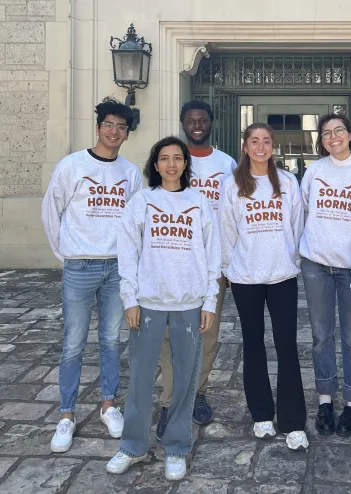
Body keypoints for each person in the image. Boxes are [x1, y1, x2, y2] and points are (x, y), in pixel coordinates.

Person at [106, 136, 220, 480]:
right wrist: (130, 299)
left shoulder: (200, 203)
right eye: (164, 159)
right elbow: (127, 254)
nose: (171, 164)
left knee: (184, 379)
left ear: (186, 164)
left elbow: (213, 256)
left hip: (189, 303)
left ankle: (176, 448)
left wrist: (209, 301)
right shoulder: (142, 202)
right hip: (149, 303)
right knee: (140, 377)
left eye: (177, 158)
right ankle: (132, 446)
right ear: (155, 165)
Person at [41, 97, 142, 453]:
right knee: (73, 343)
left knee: (112, 340)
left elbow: (135, 223)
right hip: (80, 267)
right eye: (109, 125)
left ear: (127, 134)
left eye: (121, 127)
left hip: (116, 267)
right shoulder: (72, 166)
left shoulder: (130, 173)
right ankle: (66, 414)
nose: (115, 132)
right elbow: (51, 211)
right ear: (98, 127)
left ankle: (108, 405)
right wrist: (66, 253)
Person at [219, 122, 308, 451]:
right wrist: (228, 267)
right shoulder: (231, 184)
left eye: (266, 141)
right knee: (253, 344)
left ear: (273, 146)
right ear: (245, 146)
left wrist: (292, 259)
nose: (260, 146)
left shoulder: (286, 182)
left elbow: (297, 225)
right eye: (254, 141)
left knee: (287, 346)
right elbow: (226, 229)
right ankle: (261, 414)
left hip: (282, 276)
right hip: (246, 277)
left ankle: (293, 421)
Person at [156, 100, 236, 438]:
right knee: (169, 338)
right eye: (191, 120)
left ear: (211, 123)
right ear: (183, 123)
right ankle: (169, 402)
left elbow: (235, 212)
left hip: (212, 263)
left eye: (203, 120)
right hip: (174, 260)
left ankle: (198, 394)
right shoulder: (173, 161)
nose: (197, 125)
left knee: (207, 334)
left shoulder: (227, 163)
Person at [300, 113, 351, 437]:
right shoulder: (314, 172)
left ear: (349, 135)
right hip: (316, 264)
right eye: (326, 133)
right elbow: (302, 211)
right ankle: (324, 400)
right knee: (321, 337)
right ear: (321, 141)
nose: (333, 137)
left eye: (338, 131)